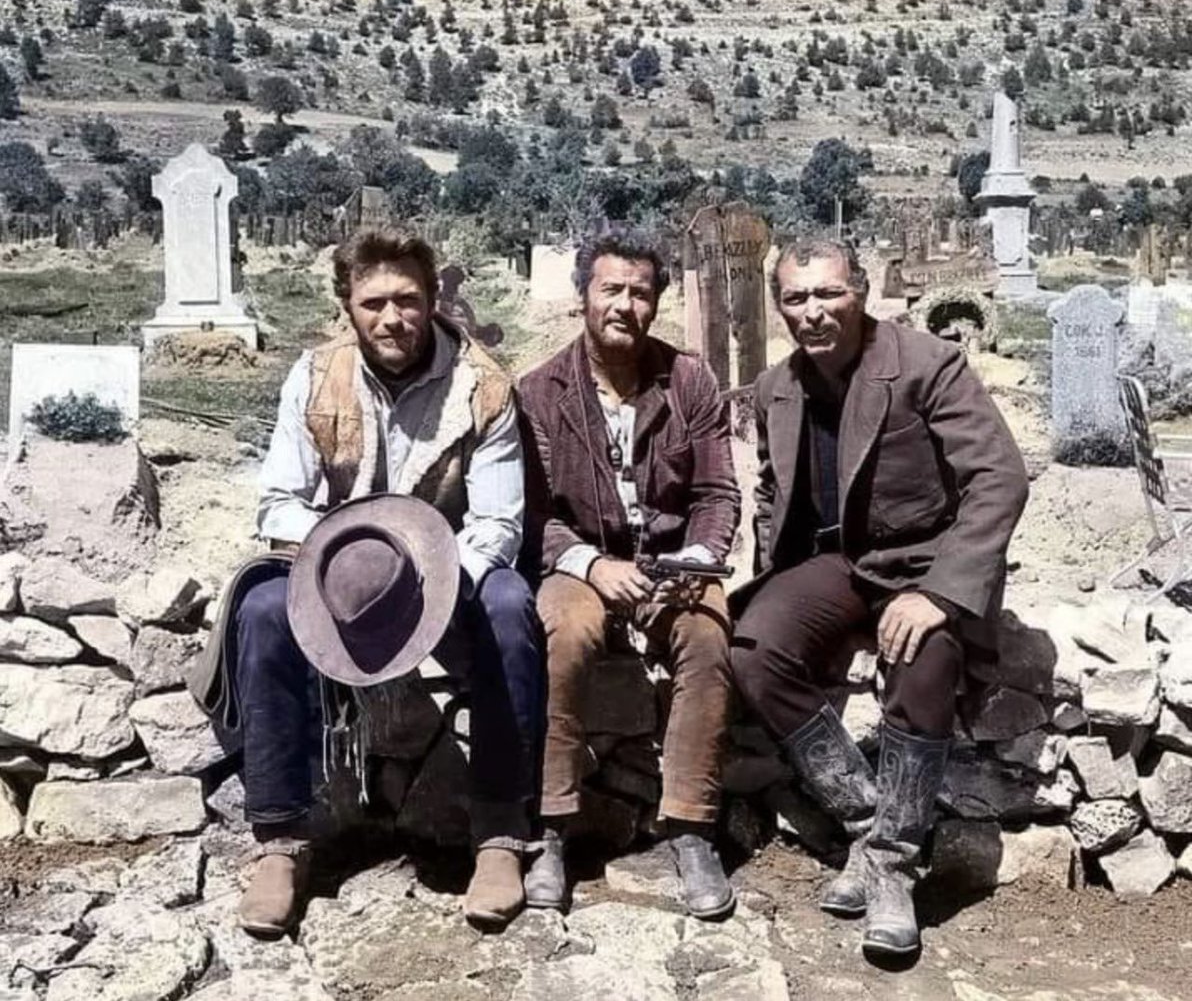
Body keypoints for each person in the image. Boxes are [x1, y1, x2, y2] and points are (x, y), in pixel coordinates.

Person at [190, 227, 542, 936]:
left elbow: (499, 524)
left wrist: (431, 585)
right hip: (347, 577)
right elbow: (279, 501)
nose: (392, 319)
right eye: (373, 302)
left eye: (408, 300)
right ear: (347, 306)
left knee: (510, 606)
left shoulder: (486, 387)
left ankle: (501, 832)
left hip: (447, 579)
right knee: (260, 611)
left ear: (434, 299)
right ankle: (281, 842)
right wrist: (342, 558)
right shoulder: (316, 377)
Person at [730, 238, 1029, 956]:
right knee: (754, 648)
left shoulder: (926, 364)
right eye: (796, 299)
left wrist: (941, 593)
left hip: (927, 561)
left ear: (861, 291)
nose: (814, 312)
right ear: (780, 309)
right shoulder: (778, 386)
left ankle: (892, 866)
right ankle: (869, 823)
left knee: (926, 658)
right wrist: (779, 579)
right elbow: (772, 494)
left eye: (829, 294)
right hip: (839, 564)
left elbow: (999, 479)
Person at [517, 229, 741, 919]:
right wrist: (591, 564)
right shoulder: (539, 391)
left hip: (668, 561)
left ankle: (690, 825)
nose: (624, 305)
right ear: (583, 297)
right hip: (581, 562)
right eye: (610, 289)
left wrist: (699, 559)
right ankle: (552, 826)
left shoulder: (690, 380)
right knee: (567, 631)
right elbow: (534, 514)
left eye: (640, 293)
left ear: (656, 304)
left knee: (707, 636)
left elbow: (717, 494)